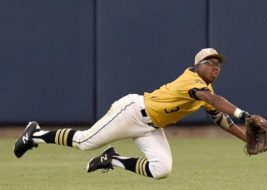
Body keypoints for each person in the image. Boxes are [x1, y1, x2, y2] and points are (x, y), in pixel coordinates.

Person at [13, 48, 250, 179]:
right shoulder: (192, 79)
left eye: (218, 64)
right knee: (84, 142)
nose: (215, 67)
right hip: (132, 112)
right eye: (209, 62)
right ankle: (34, 134)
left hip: (151, 127)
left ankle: (112, 159)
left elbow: (220, 118)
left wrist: (247, 138)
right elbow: (213, 101)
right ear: (197, 65)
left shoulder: (207, 89)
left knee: (162, 170)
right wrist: (245, 116)